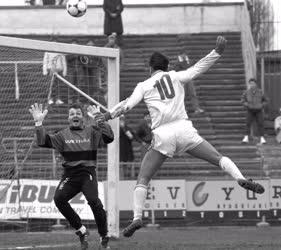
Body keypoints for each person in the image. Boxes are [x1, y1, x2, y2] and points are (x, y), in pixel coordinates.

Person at [96, 36, 265, 237]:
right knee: (218, 158)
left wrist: (107, 115)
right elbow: (199, 68)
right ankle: (241, 178)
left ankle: (137, 218)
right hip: (185, 130)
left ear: (150, 68)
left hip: (163, 134)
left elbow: (127, 104)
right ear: (166, 68)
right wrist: (217, 51)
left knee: (143, 178)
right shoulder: (176, 76)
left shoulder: (144, 85)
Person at [29, 103, 113, 249]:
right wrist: (38, 123)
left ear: (83, 118)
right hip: (70, 175)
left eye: (78, 113)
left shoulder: (92, 132)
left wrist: (100, 119)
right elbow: (42, 142)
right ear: (68, 118)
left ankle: (104, 235)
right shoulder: (62, 135)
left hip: (87, 173)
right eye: (72, 113)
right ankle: (81, 231)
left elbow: (109, 137)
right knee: (59, 199)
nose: (75, 115)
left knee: (94, 201)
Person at [241, 78, 267, 144]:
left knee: (260, 123)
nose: (252, 85)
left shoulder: (260, 92)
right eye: (250, 84)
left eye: (253, 83)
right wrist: (247, 105)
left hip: (259, 110)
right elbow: (243, 100)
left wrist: (261, 105)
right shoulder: (246, 92)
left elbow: (265, 100)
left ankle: (262, 138)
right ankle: (246, 138)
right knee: (248, 123)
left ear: (256, 84)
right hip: (250, 110)